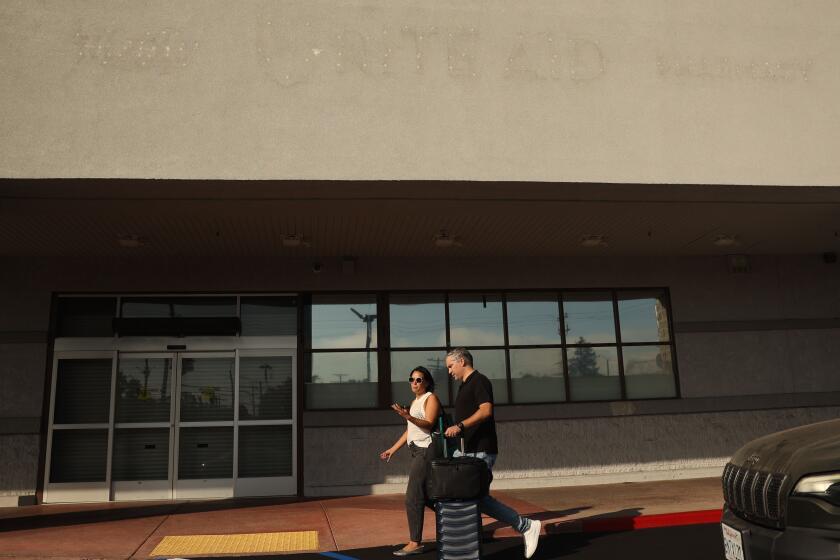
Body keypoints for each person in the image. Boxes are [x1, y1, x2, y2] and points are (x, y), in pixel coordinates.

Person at [443, 347, 541, 559]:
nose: (449, 371)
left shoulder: (479, 381)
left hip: (481, 451)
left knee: (477, 498)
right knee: (468, 499)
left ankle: (525, 526)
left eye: (450, 366)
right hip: (467, 452)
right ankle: (472, 549)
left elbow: (486, 411)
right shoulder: (464, 386)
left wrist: (460, 426)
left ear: (462, 361)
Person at [380, 366, 442, 556]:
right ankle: (458, 517)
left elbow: (429, 423)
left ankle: (415, 542)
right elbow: (410, 431)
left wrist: (408, 416)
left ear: (427, 382)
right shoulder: (415, 402)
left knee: (413, 496)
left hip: (426, 450)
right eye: (412, 379)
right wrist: (393, 449)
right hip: (416, 450)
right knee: (429, 496)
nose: (414, 383)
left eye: (419, 380)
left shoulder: (430, 398)